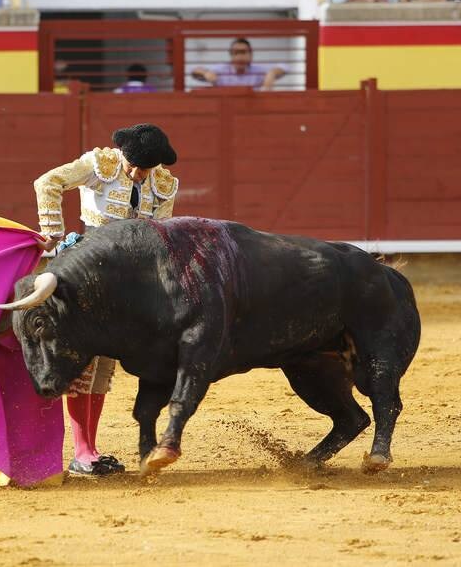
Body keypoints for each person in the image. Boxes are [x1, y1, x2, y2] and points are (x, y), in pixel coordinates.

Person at [33, 123, 179, 476]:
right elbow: (47, 182)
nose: (136, 172)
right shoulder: (101, 165)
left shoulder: (163, 184)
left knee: (103, 366)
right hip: (87, 270)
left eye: (144, 168)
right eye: (134, 164)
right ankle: (81, 450)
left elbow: (159, 236)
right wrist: (52, 231)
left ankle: (90, 449)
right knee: (82, 363)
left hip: (127, 280)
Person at [190, 38, 289, 90]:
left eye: (243, 52)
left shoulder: (258, 70)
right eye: (236, 53)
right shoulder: (222, 70)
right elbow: (193, 70)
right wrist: (206, 73)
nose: (240, 57)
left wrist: (272, 73)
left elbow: (285, 67)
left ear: (251, 55)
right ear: (231, 55)